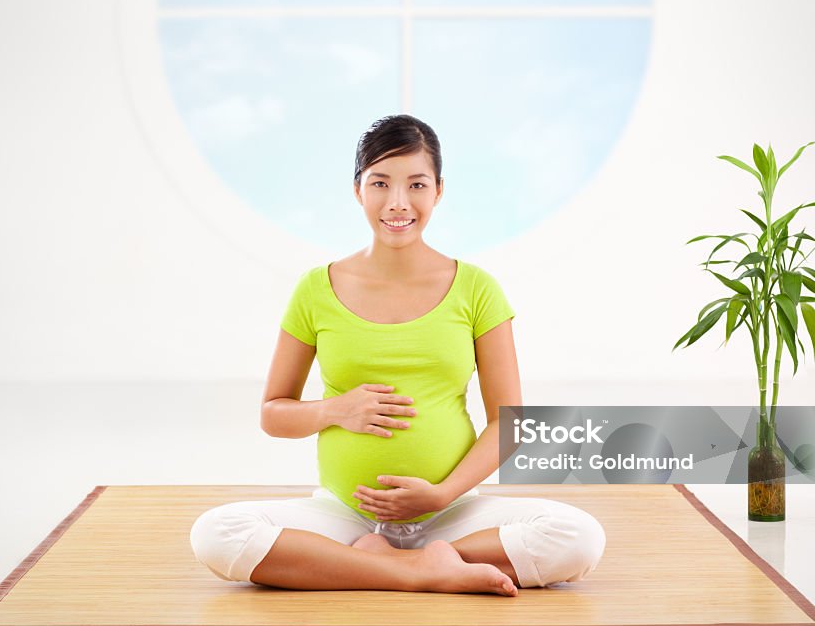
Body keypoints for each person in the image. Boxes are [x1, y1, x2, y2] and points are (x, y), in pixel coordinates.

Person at [190, 115, 606, 596]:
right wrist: (334, 410)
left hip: (452, 515)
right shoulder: (315, 289)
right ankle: (423, 571)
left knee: (579, 536)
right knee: (216, 532)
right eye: (380, 183)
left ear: (438, 191)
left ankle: (371, 567)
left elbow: (509, 423)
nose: (398, 203)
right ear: (358, 190)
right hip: (344, 514)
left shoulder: (476, 288)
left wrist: (442, 493)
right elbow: (273, 414)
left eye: (416, 185)